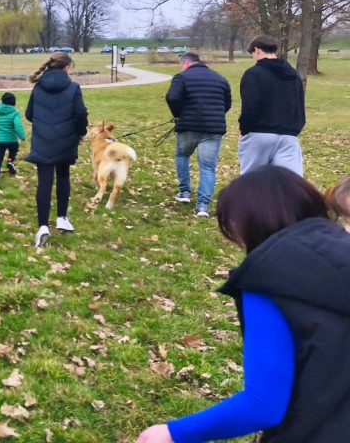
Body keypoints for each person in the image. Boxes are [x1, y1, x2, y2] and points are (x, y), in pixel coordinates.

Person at [136, 165, 350, 443]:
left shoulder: (268, 279)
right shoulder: (342, 247)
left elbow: (263, 404)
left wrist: (173, 433)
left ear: (245, 223)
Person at [24, 52, 88, 247]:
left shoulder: (38, 87)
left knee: (44, 181)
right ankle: (62, 217)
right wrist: (81, 132)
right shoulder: (73, 87)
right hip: (65, 140)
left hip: (43, 140)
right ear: (67, 68)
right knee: (63, 176)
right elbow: (80, 114)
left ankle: (43, 226)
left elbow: (29, 114)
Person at [165, 52, 232, 217]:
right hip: (213, 128)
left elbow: (172, 97)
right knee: (208, 167)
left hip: (188, 126)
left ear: (186, 64)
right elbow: (227, 104)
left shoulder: (181, 77)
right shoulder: (220, 79)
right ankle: (203, 206)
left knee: (182, 155)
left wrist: (179, 113)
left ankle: (185, 192)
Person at [237, 35, 306, 176]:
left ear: (256, 50)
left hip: (259, 134)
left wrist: (244, 130)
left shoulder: (253, 74)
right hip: (289, 135)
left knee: (253, 182)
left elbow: (250, 106)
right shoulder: (293, 75)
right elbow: (299, 104)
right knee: (289, 183)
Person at [0, 92, 26, 183]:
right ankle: (10, 161)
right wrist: (22, 137)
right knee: (14, 150)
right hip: (12, 140)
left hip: (0, 140)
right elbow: (18, 125)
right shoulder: (15, 113)